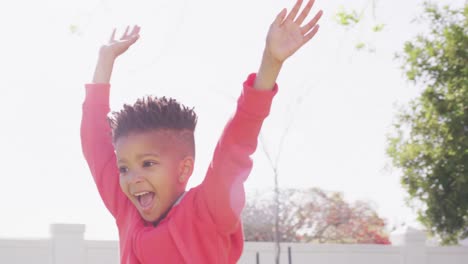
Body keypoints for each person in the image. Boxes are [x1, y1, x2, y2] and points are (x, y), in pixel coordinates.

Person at [81, 0, 322, 263]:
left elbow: (235, 146)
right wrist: (105, 61)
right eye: (124, 168)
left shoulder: (207, 210)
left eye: (148, 163)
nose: (132, 178)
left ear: (184, 169)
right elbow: (96, 144)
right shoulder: (127, 210)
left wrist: (270, 63)